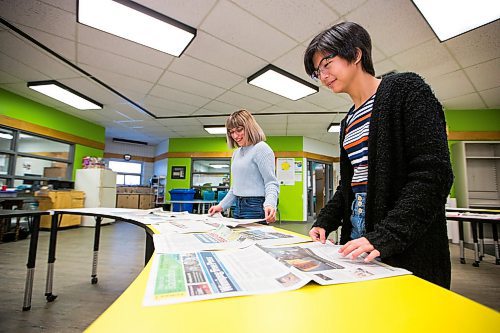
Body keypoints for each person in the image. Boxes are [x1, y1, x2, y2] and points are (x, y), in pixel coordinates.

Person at [303, 22, 454, 288]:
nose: (323, 75)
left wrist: (388, 234)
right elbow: (349, 184)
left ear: (356, 54)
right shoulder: (348, 120)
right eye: (317, 71)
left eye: (327, 63)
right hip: (358, 232)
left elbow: (433, 174)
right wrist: (326, 220)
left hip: (403, 236)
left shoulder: (406, 89)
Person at [208, 109, 279, 223]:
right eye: (231, 132)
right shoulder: (236, 153)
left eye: (239, 130)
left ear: (249, 127)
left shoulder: (261, 148)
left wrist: (270, 204)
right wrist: (221, 206)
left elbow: (271, 182)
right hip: (238, 206)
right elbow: (235, 187)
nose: (235, 136)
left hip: (255, 207)